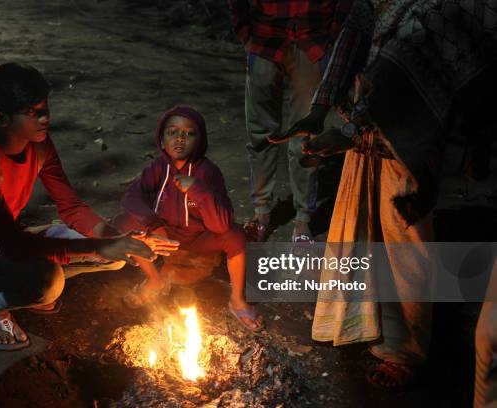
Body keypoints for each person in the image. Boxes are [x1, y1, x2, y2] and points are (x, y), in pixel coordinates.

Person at [273, 0, 497, 391]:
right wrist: (320, 109)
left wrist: (346, 135)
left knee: (403, 235)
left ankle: (406, 349)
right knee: (360, 222)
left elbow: (415, 75)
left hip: (417, 124)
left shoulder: (434, 11)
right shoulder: (377, 3)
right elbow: (352, 39)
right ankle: (365, 320)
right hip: (371, 117)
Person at [0, 63, 178, 351]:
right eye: (32, 112)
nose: (44, 118)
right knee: (48, 282)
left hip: (12, 239)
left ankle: (27, 284)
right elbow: (11, 243)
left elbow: (71, 207)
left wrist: (117, 240)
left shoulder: (39, 144)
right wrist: (97, 246)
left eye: (45, 108)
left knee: (114, 256)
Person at [114, 106, 263, 332]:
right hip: (168, 237)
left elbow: (221, 225)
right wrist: (153, 223)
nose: (180, 139)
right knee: (124, 222)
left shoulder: (208, 172)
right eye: (172, 132)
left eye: (189, 133)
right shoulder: (159, 167)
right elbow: (132, 196)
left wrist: (197, 189)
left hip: (200, 240)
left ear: (200, 140)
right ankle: (154, 280)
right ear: (161, 139)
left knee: (234, 236)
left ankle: (237, 300)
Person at [227, 0, 352, 242]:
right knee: (261, 134)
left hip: (312, 40)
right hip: (265, 39)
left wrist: (331, 40)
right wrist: (246, 36)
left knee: (305, 139)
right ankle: (262, 213)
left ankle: (303, 220)